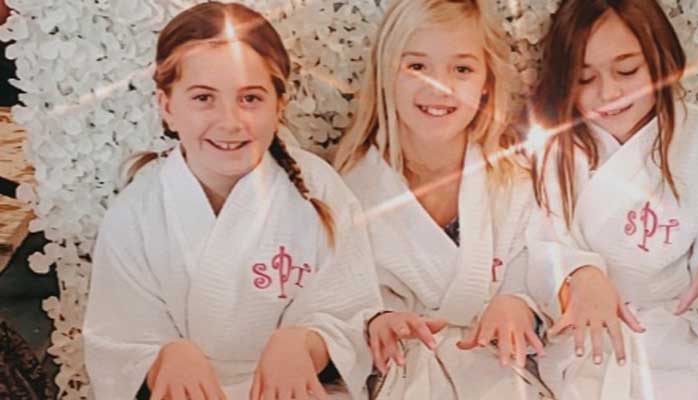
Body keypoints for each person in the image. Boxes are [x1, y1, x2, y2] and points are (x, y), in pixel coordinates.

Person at [82, 3, 381, 399]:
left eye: (251, 98)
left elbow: (352, 314)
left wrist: (305, 343)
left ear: (280, 104)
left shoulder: (318, 191)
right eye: (203, 98)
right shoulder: (137, 211)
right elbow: (117, 340)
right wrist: (164, 358)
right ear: (167, 106)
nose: (229, 121)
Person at [526, 0, 698, 399]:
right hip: (592, 339)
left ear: (662, 59)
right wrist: (579, 275)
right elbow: (538, 238)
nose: (608, 93)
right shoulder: (554, 151)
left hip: (682, 333)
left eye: (627, 71)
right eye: (584, 78)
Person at [333, 0, 550, 398]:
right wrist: (377, 321)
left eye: (462, 69)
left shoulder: (512, 181)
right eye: (416, 66)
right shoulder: (349, 190)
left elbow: (539, 266)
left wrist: (519, 304)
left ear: (486, 81)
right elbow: (337, 303)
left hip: (501, 373)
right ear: (385, 73)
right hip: (402, 376)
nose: (439, 86)